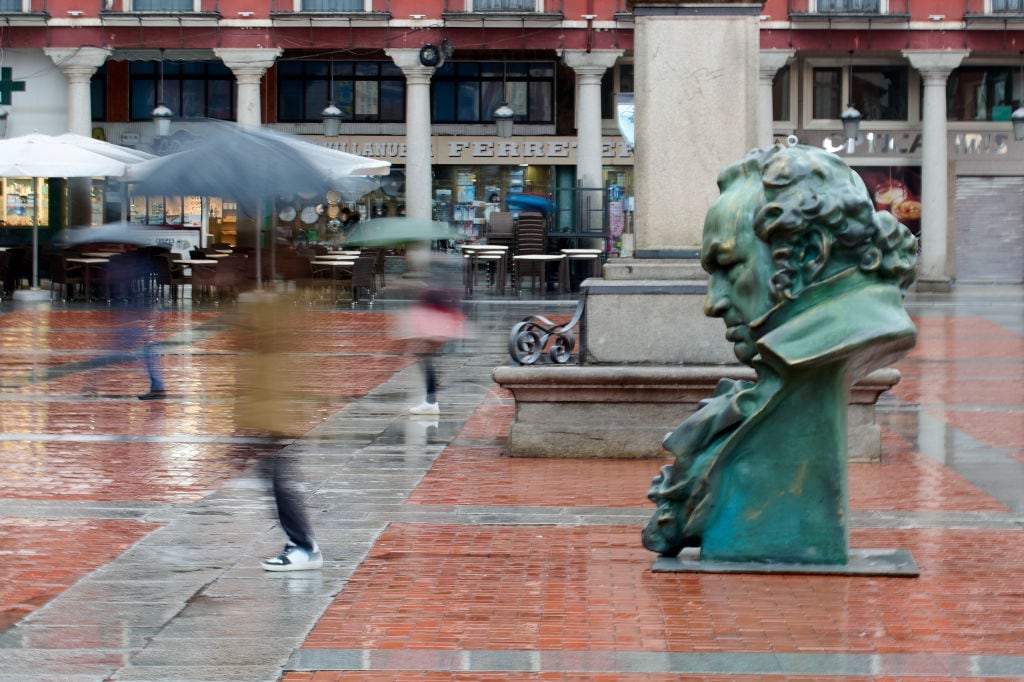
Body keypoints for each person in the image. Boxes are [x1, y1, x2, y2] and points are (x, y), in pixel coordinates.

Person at [642, 143, 918, 564]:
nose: (712, 303)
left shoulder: (838, 344)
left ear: (808, 255)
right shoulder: (800, 358)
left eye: (728, 267)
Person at [234, 295, 323, 571]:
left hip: (275, 418)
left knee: (280, 480)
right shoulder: (263, 318)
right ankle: (302, 544)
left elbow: (273, 375)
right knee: (276, 479)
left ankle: (305, 547)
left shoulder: (268, 320)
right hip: (271, 417)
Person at [401, 252, 467, 416]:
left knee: (426, 361)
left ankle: (431, 400)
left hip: (435, 327)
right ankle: (431, 399)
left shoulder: (440, 285)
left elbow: (436, 302)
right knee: (426, 361)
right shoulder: (441, 281)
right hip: (435, 326)